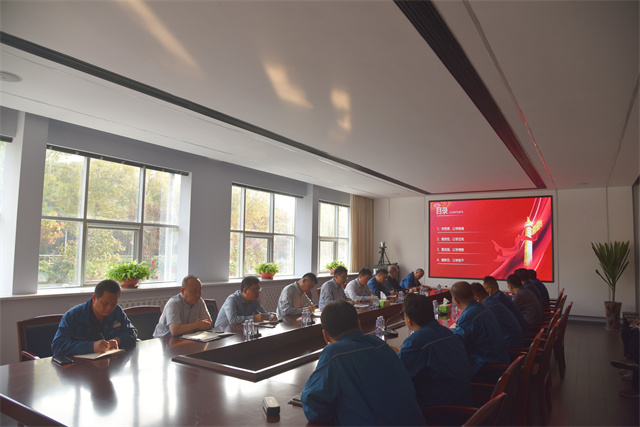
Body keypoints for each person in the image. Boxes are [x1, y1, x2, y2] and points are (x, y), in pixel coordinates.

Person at [301, 301, 425, 425]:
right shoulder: (380, 344)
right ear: (359, 325)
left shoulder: (333, 354)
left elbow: (313, 406)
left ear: (326, 336)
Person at [395, 293, 472, 424]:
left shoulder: (417, 341)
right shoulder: (447, 332)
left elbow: (397, 372)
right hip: (463, 405)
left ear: (408, 320)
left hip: (440, 412)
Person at [52, 280, 137, 356]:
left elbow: (132, 333)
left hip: (111, 362)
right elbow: (58, 346)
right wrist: (92, 347)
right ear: (94, 298)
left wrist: (117, 340)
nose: (109, 308)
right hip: (79, 365)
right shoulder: (73, 316)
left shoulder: (117, 311)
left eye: (113, 304)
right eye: (105, 303)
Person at [451, 281, 509, 379]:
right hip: (500, 361)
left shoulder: (468, 316)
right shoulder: (482, 307)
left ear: (455, 299)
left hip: (488, 369)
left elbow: (457, 345)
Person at [470, 282, 523, 348]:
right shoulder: (493, 301)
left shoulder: (485, 308)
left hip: (510, 347)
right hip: (515, 341)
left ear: (476, 299)